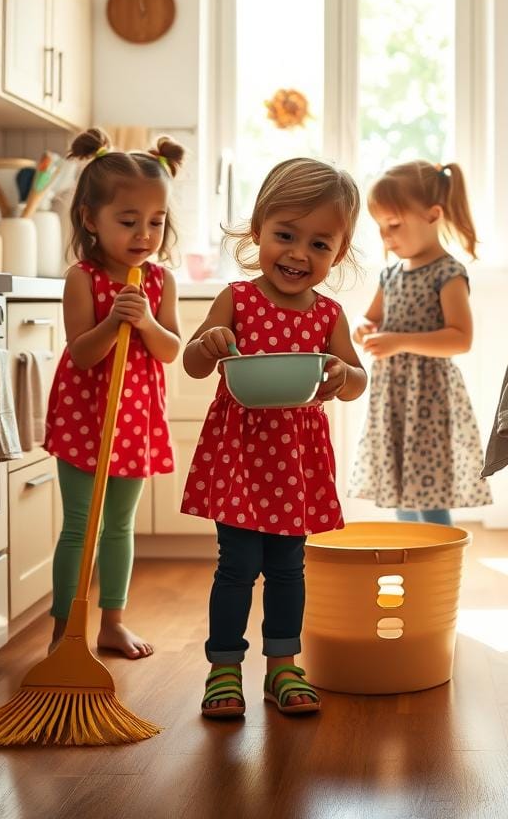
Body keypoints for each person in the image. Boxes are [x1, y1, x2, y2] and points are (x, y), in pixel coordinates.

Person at [181, 158, 367, 719]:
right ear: (259, 228)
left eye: (319, 244)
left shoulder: (329, 314)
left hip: (295, 460)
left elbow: (357, 380)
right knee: (236, 566)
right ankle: (224, 670)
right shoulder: (236, 300)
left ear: (338, 251)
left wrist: (341, 374)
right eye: (285, 236)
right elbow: (192, 364)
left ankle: (284, 666)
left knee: (289, 567)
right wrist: (210, 343)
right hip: (239, 453)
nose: (298, 255)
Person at [45, 127, 184, 659]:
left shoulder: (159, 282)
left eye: (156, 222)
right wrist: (111, 323)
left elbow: (170, 350)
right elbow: (81, 352)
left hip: (135, 419)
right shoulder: (81, 278)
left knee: (121, 525)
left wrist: (145, 319)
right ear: (90, 219)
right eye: (128, 222)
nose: (144, 234)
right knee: (80, 523)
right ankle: (64, 632)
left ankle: (112, 623)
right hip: (85, 417)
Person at [350, 160, 490, 525]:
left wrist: (399, 342)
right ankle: (413, 560)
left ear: (432, 215)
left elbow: (461, 338)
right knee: (400, 487)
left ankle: (437, 566)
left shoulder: (447, 273)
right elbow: (372, 318)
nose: (386, 237)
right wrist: (363, 328)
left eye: (393, 225)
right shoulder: (390, 274)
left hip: (428, 399)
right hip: (394, 397)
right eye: (380, 228)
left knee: (428, 492)